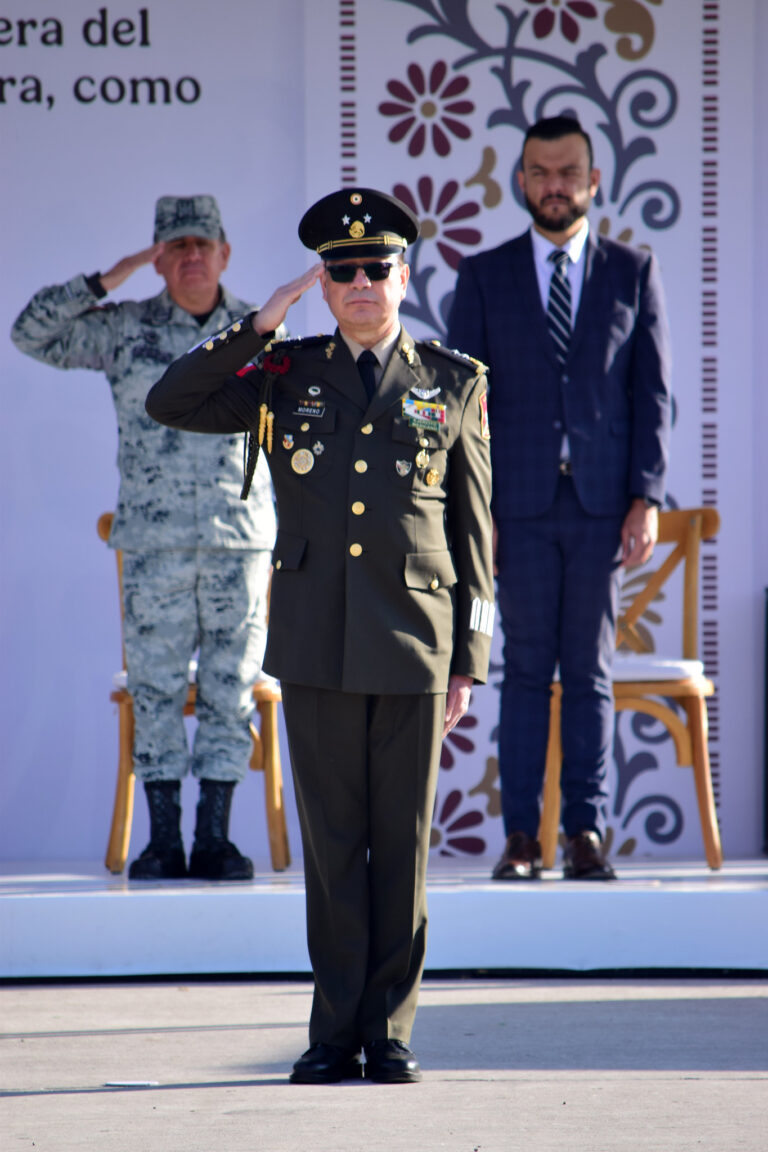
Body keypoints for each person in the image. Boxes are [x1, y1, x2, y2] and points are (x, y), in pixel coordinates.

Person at [146, 187, 494, 1083]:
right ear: (324, 285)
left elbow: (475, 537)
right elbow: (170, 399)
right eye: (342, 272)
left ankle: (392, 1033)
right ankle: (334, 1035)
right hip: (315, 646)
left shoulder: (454, 383)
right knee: (333, 850)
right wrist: (260, 323)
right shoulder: (284, 373)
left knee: (402, 848)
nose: (362, 283)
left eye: (377, 267)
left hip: (416, 644)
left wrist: (471, 661)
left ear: (404, 276)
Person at [11, 195, 278, 883]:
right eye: (175, 246)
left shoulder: (260, 333)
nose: (191, 256)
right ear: (159, 258)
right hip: (155, 544)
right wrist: (108, 278)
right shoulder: (125, 329)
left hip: (236, 541)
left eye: (202, 243)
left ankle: (215, 839)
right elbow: (29, 333)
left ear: (225, 253)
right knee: (155, 689)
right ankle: (163, 841)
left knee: (231, 687)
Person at [447, 116, 671, 882]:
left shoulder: (631, 271)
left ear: (593, 181)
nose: (554, 184)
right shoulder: (483, 275)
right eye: (540, 171)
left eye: (568, 171)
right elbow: (460, 408)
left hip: (603, 506)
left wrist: (645, 496)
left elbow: (652, 395)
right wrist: (475, 515)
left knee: (589, 674)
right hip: (517, 510)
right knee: (521, 671)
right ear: (520, 181)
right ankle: (519, 840)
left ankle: (586, 832)